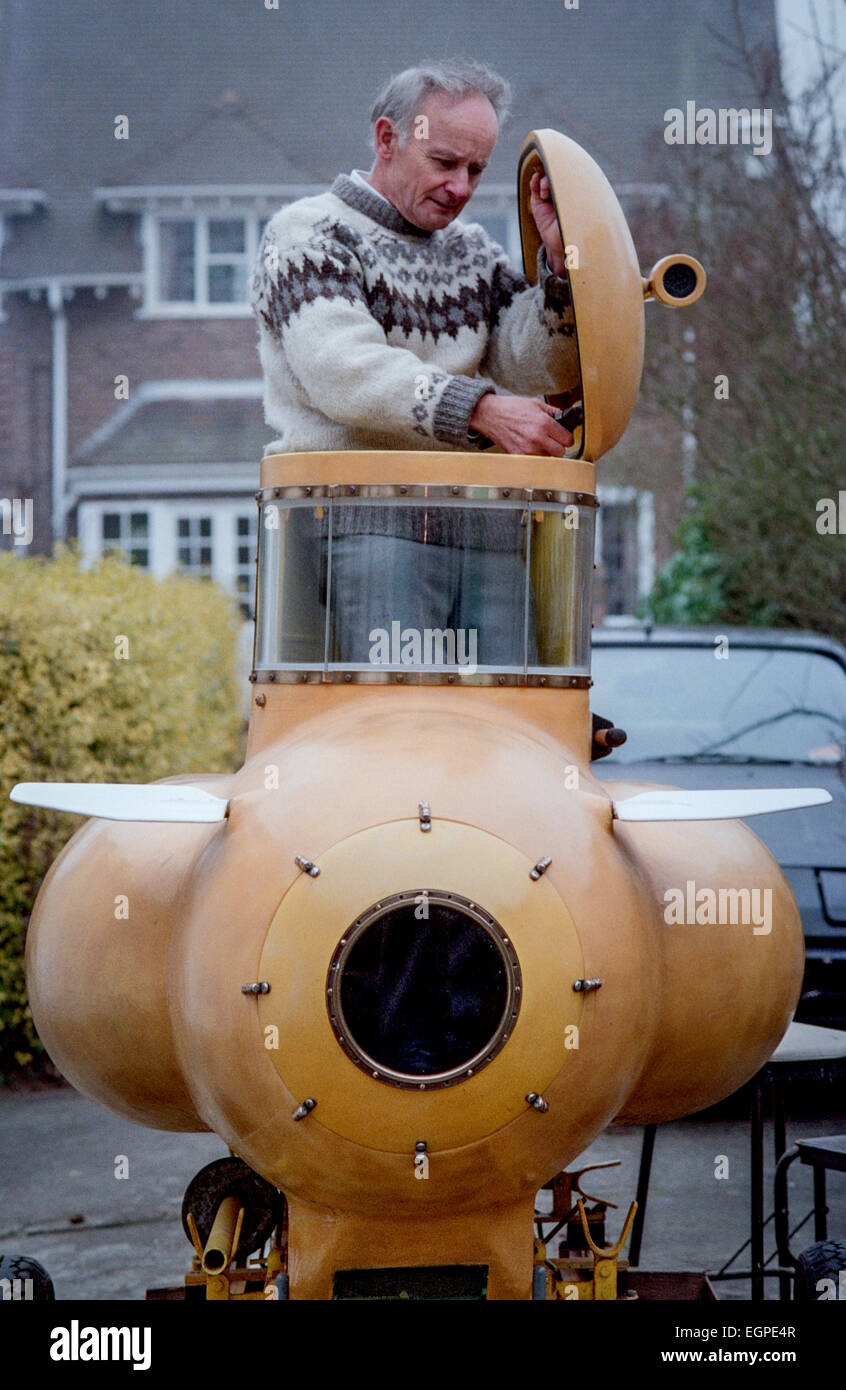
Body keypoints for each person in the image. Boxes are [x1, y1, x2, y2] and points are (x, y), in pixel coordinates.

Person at [250, 59, 581, 667]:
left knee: (511, 725)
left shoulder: (472, 252)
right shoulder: (308, 235)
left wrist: (559, 269)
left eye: (477, 169)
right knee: (404, 723)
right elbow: (343, 372)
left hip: (488, 524)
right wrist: (480, 409)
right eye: (445, 163)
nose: (461, 187)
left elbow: (538, 367)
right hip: (366, 520)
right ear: (386, 139)